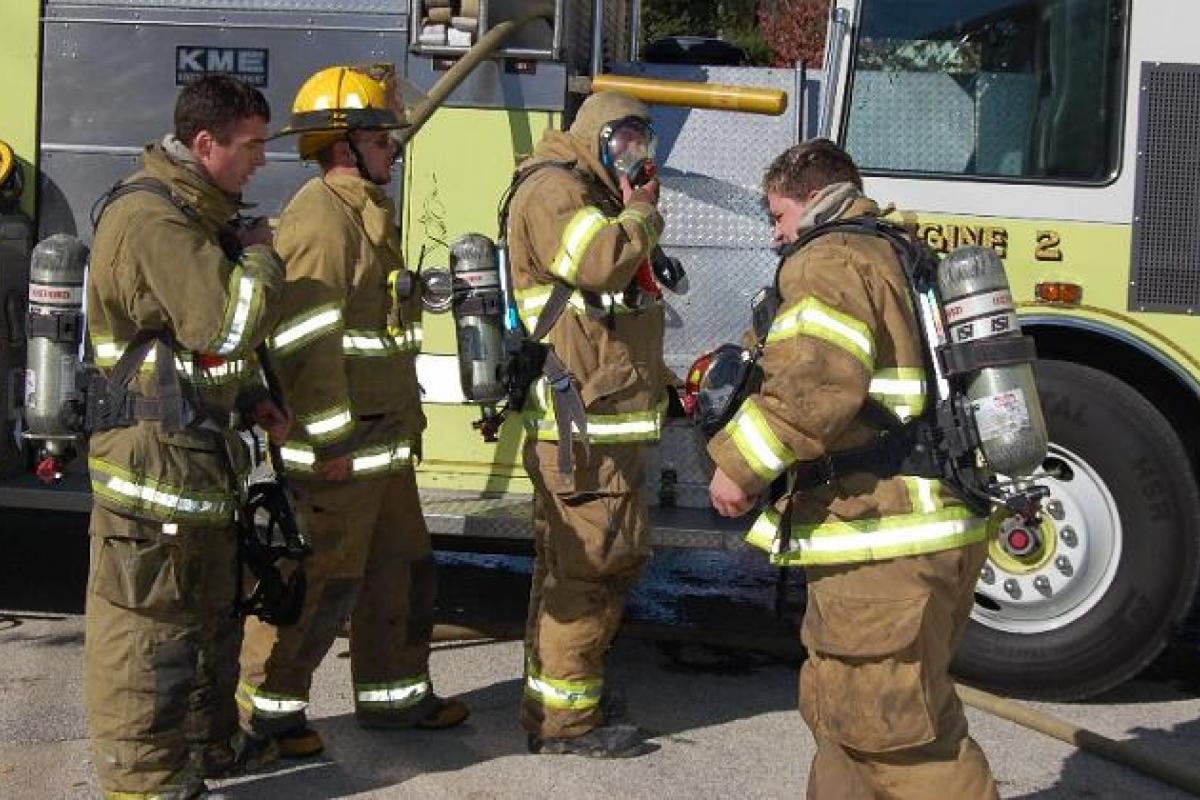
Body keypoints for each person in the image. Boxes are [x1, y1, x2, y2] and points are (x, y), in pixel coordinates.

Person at [707, 139, 999, 799]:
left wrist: (738, 468)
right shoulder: (898, 251)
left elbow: (814, 381)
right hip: (929, 531)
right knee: (845, 719)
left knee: (900, 743)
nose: (775, 233)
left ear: (812, 198)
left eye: (777, 216)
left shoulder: (829, 259)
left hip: (884, 539)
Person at [236, 64, 468, 758]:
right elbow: (305, 348)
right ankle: (264, 717)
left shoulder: (364, 211)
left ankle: (395, 696)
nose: (394, 148)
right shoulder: (322, 220)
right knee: (316, 586)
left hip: (384, 443)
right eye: (381, 137)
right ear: (346, 144)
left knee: (401, 569)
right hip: (340, 452)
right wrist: (328, 445)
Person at [84, 75, 288, 800]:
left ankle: (209, 749)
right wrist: (263, 256)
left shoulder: (196, 213)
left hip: (195, 460)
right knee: (149, 633)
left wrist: (256, 398)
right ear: (206, 145)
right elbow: (224, 324)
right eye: (252, 146)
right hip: (151, 466)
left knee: (207, 620)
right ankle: (146, 782)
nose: (262, 160)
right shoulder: (153, 219)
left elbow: (197, 350)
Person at [505, 90, 670, 758]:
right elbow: (600, 262)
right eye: (627, 140)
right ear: (599, 137)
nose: (638, 155)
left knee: (572, 567)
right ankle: (568, 724)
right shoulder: (554, 192)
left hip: (598, 422)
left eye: (644, 142)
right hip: (584, 429)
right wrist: (643, 215)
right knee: (588, 571)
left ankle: (557, 702)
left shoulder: (583, 191)